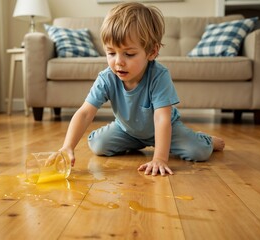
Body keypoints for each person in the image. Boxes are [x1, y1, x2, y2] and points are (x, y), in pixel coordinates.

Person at [58, 2, 225, 176]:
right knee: (98, 145)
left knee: (198, 152)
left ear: (152, 52)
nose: (118, 62)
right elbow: (85, 113)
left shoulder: (159, 76)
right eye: (111, 53)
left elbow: (162, 119)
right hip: (127, 130)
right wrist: (67, 147)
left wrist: (160, 158)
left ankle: (207, 140)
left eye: (129, 54)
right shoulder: (106, 78)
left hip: (166, 128)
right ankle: (134, 142)